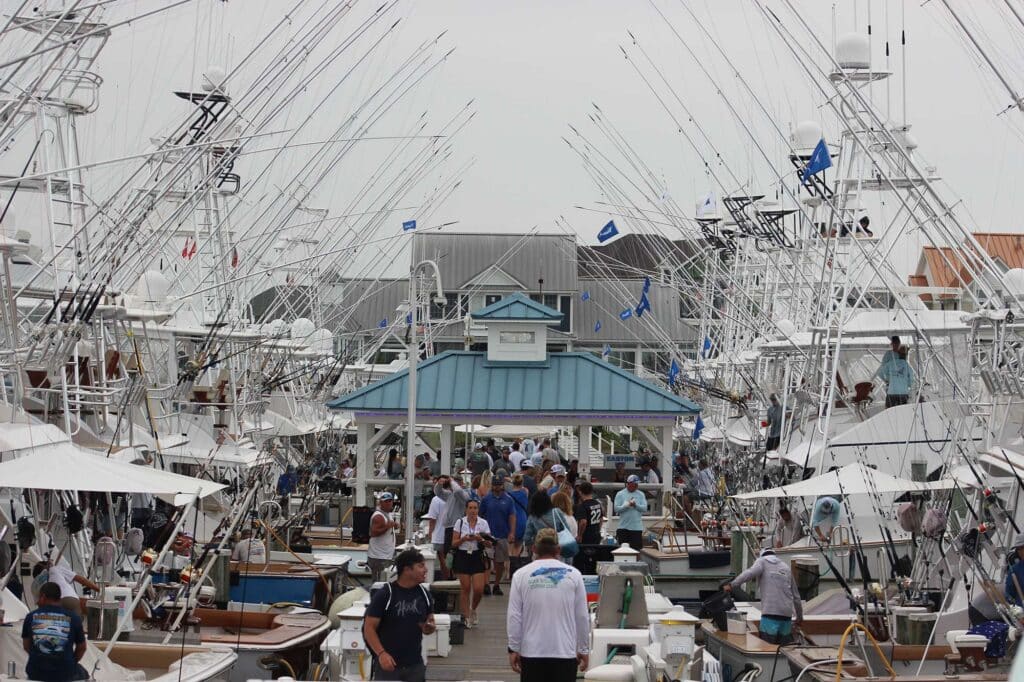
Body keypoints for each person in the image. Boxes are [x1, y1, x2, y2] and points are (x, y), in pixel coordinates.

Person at [507, 528, 590, 682]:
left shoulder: (520, 575)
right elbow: (582, 616)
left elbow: (514, 616)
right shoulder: (574, 575)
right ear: (558, 549)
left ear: (533, 549)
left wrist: (513, 648)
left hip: (531, 653)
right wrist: (583, 648)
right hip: (565, 653)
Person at [363, 548, 436, 681]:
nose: (425, 570)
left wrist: (429, 628)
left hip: (416, 665)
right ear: (407, 570)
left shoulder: (425, 594)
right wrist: (381, 654)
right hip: (388, 666)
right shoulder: (386, 594)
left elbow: (430, 622)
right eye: (421, 566)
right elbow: (368, 628)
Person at [724, 548, 803, 644]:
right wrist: (799, 617)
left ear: (762, 555)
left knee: (766, 646)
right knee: (783, 650)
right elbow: (796, 597)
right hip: (786, 616)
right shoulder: (785, 567)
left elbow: (749, 573)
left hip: (770, 614)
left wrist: (731, 585)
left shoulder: (762, 561)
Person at [22, 582, 86, 682]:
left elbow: (26, 646)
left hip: (36, 673)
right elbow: (82, 648)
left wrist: (40, 658)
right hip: (64, 673)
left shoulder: (30, 617)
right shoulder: (74, 618)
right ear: (59, 598)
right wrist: (71, 663)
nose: (38, 602)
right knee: (83, 672)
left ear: (43, 597)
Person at [451, 499, 492, 628]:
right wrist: (463, 539)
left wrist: (481, 539)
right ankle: (466, 616)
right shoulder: (460, 522)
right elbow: (453, 543)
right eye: (470, 508)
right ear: (466, 509)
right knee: (466, 587)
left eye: (475, 508)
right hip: (463, 555)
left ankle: (473, 608)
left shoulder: (483, 523)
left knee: (479, 588)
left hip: (477, 555)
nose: (473, 511)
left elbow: (490, 543)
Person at [479, 476, 516, 595]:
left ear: (503, 485)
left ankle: (496, 585)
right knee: (487, 561)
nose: (497, 487)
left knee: (500, 562)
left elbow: (512, 516)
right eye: (495, 484)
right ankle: (486, 584)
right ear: (492, 485)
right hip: (488, 535)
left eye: (499, 484)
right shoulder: (486, 499)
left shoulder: (509, 500)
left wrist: (511, 532)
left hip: (502, 534)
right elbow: (480, 515)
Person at [31, 561, 99, 617]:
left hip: (53, 604)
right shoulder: (55, 569)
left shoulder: (34, 585)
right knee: (76, 622)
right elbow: (81, 580)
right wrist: (99, 590)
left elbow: (40, 604)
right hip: (70, 599)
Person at [433, 474, 471, 563]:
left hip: (457, 528)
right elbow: (438, 492)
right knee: (448, 555)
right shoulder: (450, 494)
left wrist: (451, 481)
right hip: (448, 528)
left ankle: (456, 575)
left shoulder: (464, 494)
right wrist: (439, 483)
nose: (453, 484)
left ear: (461, 483)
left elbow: (458, 491)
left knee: (455, 555)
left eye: (456, 482)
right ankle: (451, 576)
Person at [368, 492, 399, 582]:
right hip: (379, 557)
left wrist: (394, 525)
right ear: (380, 503)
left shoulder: (388, 514)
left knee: (384, 583)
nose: (389, 503)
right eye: (386, 501)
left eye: (390, 501)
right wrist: (388, 526)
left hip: (386, 555)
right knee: (378, 584)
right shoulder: (378, 516)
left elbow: (389, 526)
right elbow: (373, 533)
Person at [613, 475, 647, 551]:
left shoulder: (641, 494)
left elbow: (644, 508)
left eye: (637, 484)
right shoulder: (620, 494)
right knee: (622, 550)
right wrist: (627, 505)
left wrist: (635, 505)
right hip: (623, 527)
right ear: (628, 484)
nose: (636, 486)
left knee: (637, 550)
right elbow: (616, 509)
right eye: (634, 484)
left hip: (636, 528)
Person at [424, 492, 448, 580]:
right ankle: (450, 580)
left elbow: (432, 519)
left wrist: (430, 533)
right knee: (449, 560)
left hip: (439, 536)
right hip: (453, 534)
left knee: (443, 561)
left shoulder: (436, 499)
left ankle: (446, 582)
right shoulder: (454, 497)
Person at [574, 481, 603, 546]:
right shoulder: (597, 503)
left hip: (586, 537)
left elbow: (583, 522)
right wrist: (598, 530)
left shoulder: (583, 506)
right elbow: (601, 519)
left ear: (580, 492)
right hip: (596, 535)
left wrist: (580, 535)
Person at [509, 474, 529, 556]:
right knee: (519, 545)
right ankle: (516, 561)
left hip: (511, 520)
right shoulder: (525, 492)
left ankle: (511, 564)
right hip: (522, 519)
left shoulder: (508, 495)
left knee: (510, 545)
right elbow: (524, 489)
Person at [1005, 532, 1024, 606]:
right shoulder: (1014, 570)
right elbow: (1008, 595)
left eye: (1022, 547)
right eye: (1018, 549)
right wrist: (1017, 611)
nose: (1021, 552)